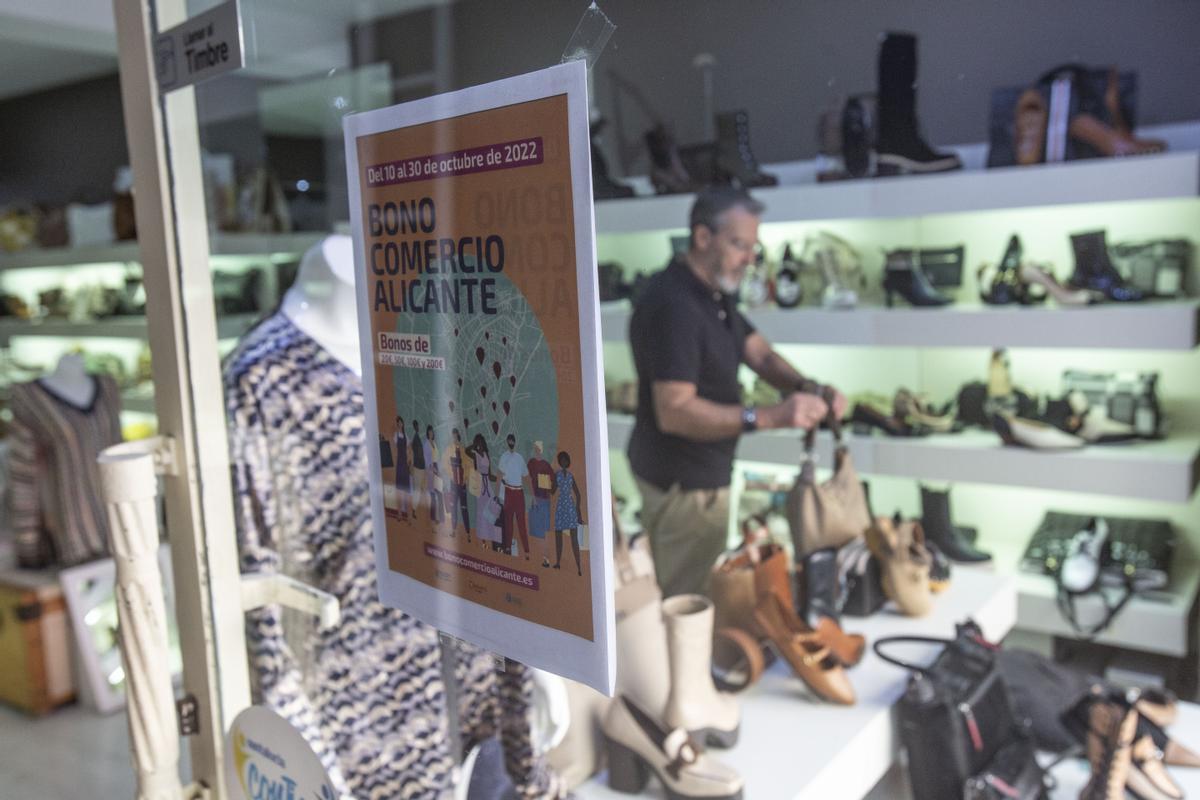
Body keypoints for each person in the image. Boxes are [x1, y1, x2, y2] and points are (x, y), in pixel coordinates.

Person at [627, 186, 846, 598]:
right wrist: (770, 416)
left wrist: (809, 388)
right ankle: (683, 665)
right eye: (739, 245)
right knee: (684, 602)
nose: (749, 259)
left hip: (696, 476)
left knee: (691, 592)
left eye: (752, 248)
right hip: (685, 484)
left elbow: (759, 355)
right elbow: (674, 411)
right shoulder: (676, 305)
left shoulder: (711, 293)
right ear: (703, 237)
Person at [497, 433, 532, 560]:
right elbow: (499, 475)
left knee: (521, 523)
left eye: (513, 440)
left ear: (515, 442)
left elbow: (527, 477)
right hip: (508, 492)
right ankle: (507, 548)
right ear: (507, 442)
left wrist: (533, 495)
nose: (511, 442)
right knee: (508, 522)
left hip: (519, 493)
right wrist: (497, 495)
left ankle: (527, 551)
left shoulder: (520, 458)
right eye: (509, 440)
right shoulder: (503, 457)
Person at [552, 450, 584, 576]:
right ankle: (558, 562)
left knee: (574, 539)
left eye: (565, 460)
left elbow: (578, 494)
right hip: (561, 506)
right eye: (562, 460)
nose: (563, 462)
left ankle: (579, 567)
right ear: (560, 462)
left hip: (569, 507)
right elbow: (552, 491)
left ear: (567, 461)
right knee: (558, 536)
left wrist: (578, 511)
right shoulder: (557, 475)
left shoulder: (570, 476)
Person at [471, 434, 502, 551]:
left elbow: (489, 475)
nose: (479, 446)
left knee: (493, 512)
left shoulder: (486, 455)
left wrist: (500, 479)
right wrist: (474, 446)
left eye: (481, 443)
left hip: (488, 485)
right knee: (481, 515)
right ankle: (484, 542)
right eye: (477, 444)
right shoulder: (476, 455)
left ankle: (495, 540)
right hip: (480, 487)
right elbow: (468, 450)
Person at [526, 441, 555, 567]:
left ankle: (546, 557)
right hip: (534, 499)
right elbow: (526, 479)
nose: (537, 450)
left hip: (544, 500)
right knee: (536, 530)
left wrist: (548, 488)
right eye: (535, 448)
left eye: (539, 448)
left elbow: (552, 481)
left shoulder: (546, 465)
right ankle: (540, 557)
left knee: (544, 530)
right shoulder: (531, 463)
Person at [443, 427, 472, 540]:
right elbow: (445, 463)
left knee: (464, 508)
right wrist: (451, 475)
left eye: (456, 435)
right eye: (453, 435)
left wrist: (466, 478)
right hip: (453, 483)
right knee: (453, 506)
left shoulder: (463, 449)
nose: (454, 437)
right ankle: (453, 530)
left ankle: (468, 533)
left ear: (458, 435)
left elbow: (469, 465)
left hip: (462, 484)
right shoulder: (449, 449)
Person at [392, 416, 412, 520]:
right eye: (398, 423)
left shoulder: (406, 436)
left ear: (403, 424)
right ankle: (399, 514)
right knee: (399, 490)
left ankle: (408, 515)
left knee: (406, 491)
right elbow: (395, 450)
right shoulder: (395, 436)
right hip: (399, 464)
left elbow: (409, 448)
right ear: (397, 424)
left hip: (405, 464)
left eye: (401, 422)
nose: (400, 424)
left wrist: (409, 459)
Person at [424, 425, 442, 527]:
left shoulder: (434, 443)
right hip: (430, 469)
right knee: (433, 495)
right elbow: (426, 459)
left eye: (432, 432)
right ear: (427, 433)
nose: (431, 434)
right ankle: (433, 517)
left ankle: (438, 516)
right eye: (429, 432)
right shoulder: (426, 444)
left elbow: (437, 457)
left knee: (438, 493)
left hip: (436, 467)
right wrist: (432, 468)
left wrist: (439, 470)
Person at [410, 419, 426, 516]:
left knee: (420, 489)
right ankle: (414, 509)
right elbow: (415, 452)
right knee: (417, 489)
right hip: (417, 467)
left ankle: (415, 509)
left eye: (418, 425)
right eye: (416, 425)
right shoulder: (415, 439)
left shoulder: (417, 437)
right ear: (414, 427)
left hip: (421, 466)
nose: (417, 427)